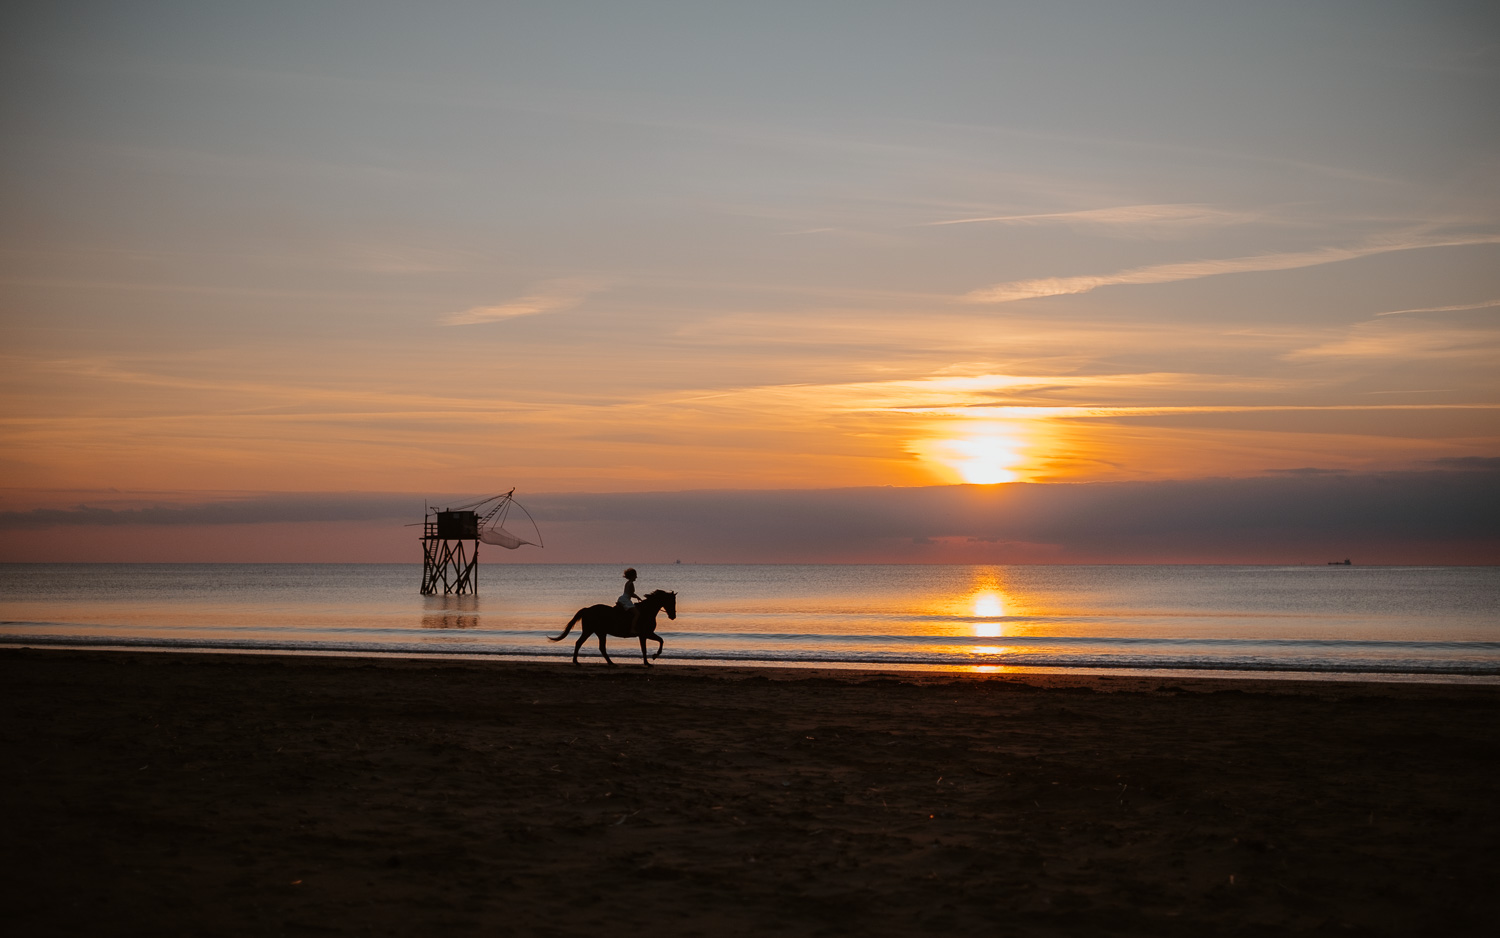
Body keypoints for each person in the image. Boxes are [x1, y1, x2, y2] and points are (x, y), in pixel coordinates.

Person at [616, 567, 642, 634]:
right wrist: (638, 597)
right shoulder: (631, 584)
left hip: (623, 598)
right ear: (632, 576)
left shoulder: (628, 582)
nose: (636, 577)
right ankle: (632, 629)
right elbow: (631, 594)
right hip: (626, 600)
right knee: (637, 614)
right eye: (635, 575)